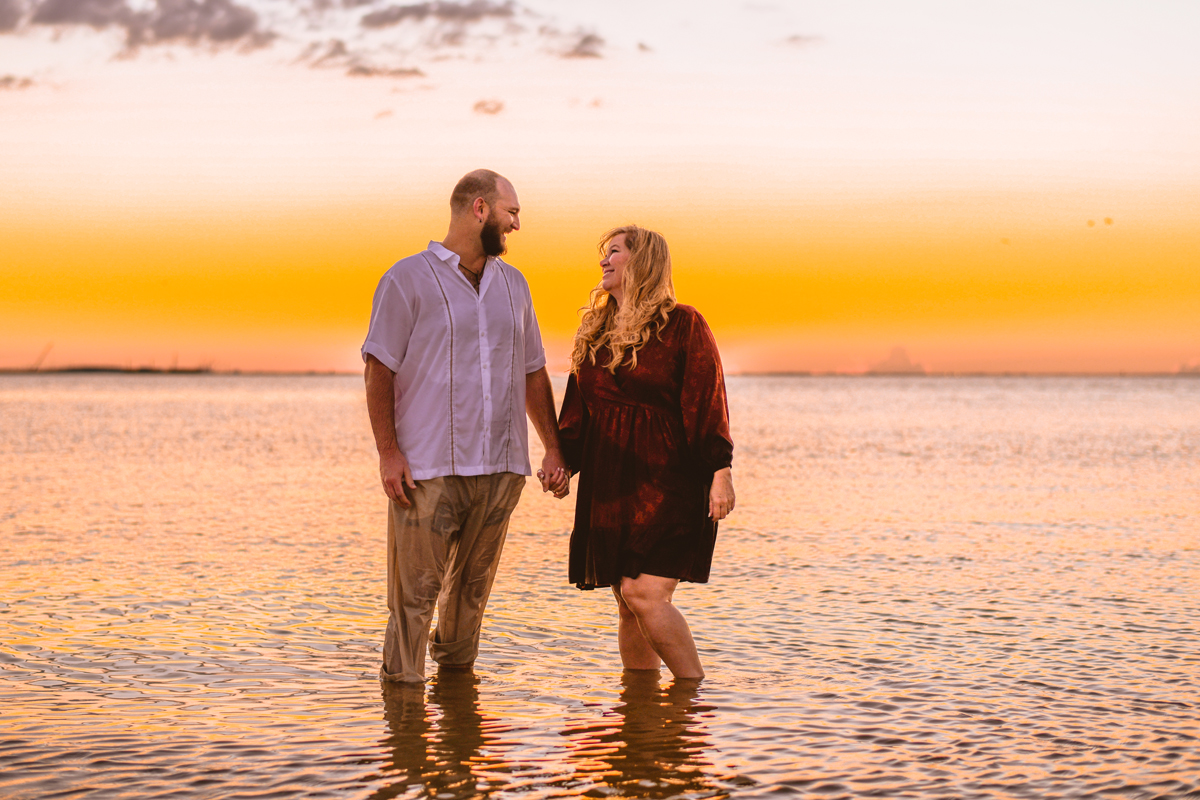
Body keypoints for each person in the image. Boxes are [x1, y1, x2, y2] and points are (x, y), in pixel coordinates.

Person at [362, 169, 568, 684]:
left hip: (500, 468)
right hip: (428, 470)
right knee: (413, 600)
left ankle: (458, 720)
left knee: (471, 596)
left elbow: (532, 370)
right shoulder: (406, 278)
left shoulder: (514, 284)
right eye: (511, 212)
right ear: (480, 209)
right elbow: (378, 367)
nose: (517, 224)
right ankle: (405, 725)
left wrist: (553, 450)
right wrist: (389, 453)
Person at [558, 225, 734, 680]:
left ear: (642, 262)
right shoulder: (594, 332)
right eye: (604, 253)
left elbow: (706, 399)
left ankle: (693, 698)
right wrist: (561, 461)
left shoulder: (683, 324)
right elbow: (578, 411)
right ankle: (640, 714)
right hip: (611, 485)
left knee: (644, 594)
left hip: (668, 483)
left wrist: (721, 470)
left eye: (614, 252)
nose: (604, 261)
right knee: (626, 603)